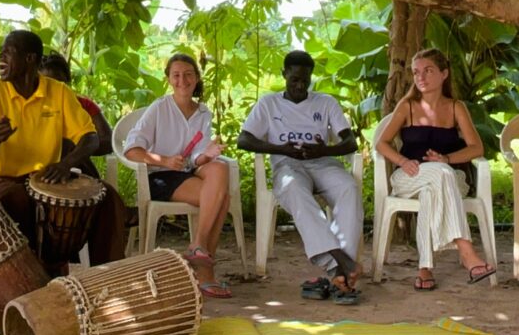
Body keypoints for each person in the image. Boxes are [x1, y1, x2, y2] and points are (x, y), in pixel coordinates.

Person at [0, 30, 128, 273]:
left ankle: (104, 277)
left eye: (9, 51)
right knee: (15, 201)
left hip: (48, 178)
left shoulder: (59, 92)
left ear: (30, 59)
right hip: (5, 181)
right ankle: (24, 276)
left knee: (109, 200)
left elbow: (91, 137)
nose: (1, 55)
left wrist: (66, 165)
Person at [237, 50, 362, 304]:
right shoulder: (268, 103)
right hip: (288, 164)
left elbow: (350, 142)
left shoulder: (325, 102)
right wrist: (280, 149)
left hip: (322, 162)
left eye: (305, 80)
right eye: (294, 79)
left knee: (349, 187)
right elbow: (244, 140)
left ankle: (340, 274)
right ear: (284, 75)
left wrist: (324, 150)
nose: (300, 85)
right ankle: (340, 262)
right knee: (294, 189)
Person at [374, 48, 496, 291]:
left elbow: (476, 148)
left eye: (428, 71)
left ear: (444, 74)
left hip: (451, 177)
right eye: (416, 72)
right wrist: (402, 161)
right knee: (439, 175)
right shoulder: (407, 106)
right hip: (410, 175)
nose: (421, 77)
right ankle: (466, 252)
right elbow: (381, 143)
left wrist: (447, 159)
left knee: (437, 183)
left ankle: (425, 267)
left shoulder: (456, 107)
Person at [122, 53, 234, 299]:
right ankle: (205, 273)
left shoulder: (203, 113)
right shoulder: (159, 108)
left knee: (220, 168)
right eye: (176, 75)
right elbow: (131, 150)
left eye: (188, 74)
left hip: (187, 172)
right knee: (222, 200)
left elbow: (195, 158)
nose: (182, 80)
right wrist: (163, 159)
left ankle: (198, 247)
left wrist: (209, 154)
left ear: (196, 78)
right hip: (160, 177)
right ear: (169, 80)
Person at [39, 53, 114, 177]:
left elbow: (107, 141)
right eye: (48, 84)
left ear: (67, 82)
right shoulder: (31, 107)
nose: (55, 88)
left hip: (78, 167)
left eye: (58, 83)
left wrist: (76, 149)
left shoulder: (84, 105)